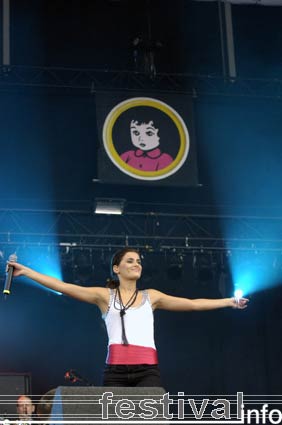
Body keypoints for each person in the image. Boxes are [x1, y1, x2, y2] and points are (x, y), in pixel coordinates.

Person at [9, 247, 248, 388]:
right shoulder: (104, 296)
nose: (136, 264)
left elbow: (193, 304)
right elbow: (64, 286)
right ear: (116, 268)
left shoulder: (151, 296)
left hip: (147, 370)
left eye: (139, 262)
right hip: (114, 370)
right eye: (130, 261)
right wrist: (28, 272)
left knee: (150, 420)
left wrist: (228, 301)